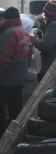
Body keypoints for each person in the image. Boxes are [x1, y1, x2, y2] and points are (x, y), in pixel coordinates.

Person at [0, 7, 34, 137]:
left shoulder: (9, 33)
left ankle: (2, 136)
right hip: (19, 78)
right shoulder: (24, 33)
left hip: (6, 78)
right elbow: (29, 56)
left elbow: (3, 58)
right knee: (16, 110)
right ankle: (15, 137)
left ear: (7, 19)